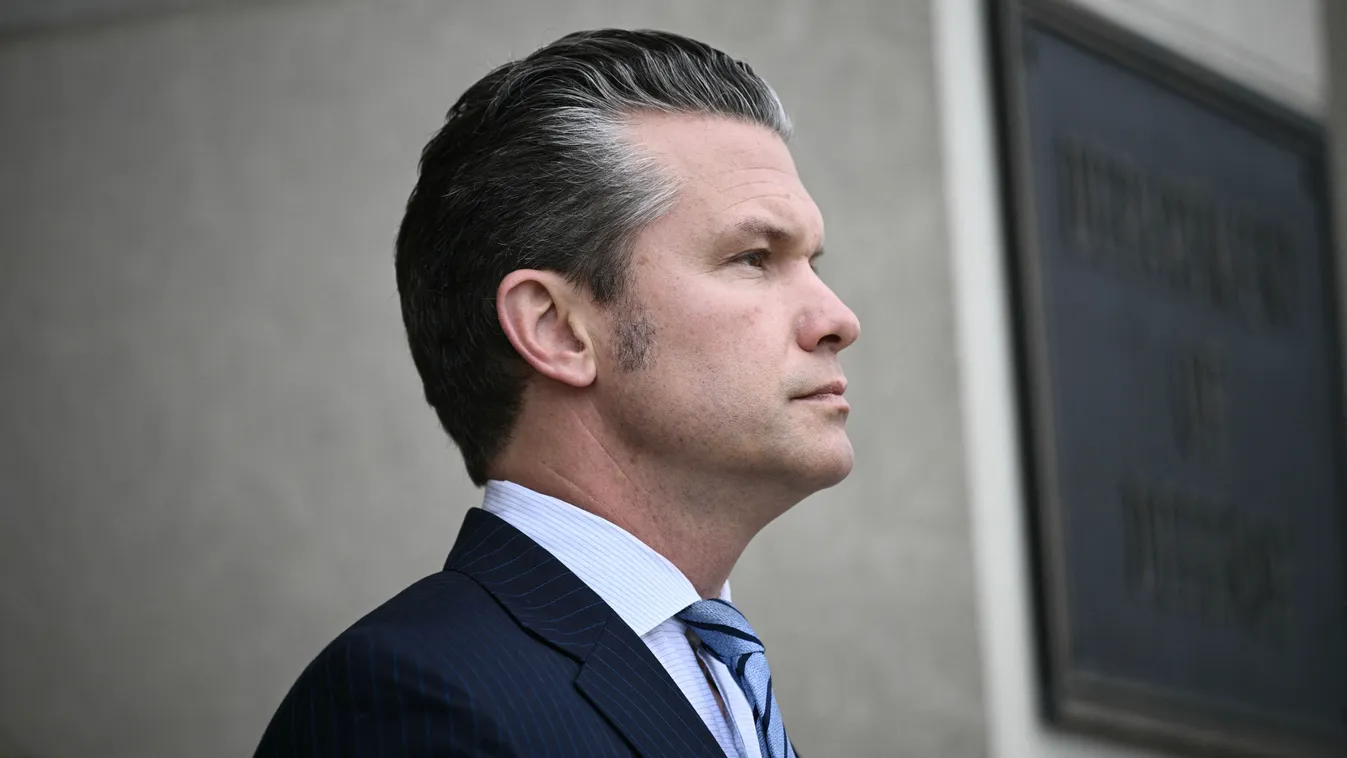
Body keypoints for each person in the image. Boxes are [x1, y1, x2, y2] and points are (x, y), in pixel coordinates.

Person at [254, 28, 859, 758]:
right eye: (753, 258)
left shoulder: (719, 676)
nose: (838, 319)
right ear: (557, 330)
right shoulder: (410, 703)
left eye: (812, 263)